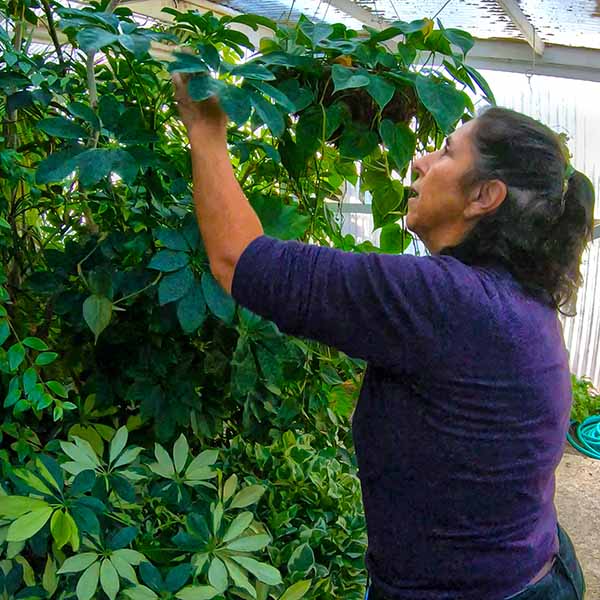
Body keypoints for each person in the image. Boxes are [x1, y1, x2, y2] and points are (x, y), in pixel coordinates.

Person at [172, 72, 593, 599]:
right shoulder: (514, 296)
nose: (419, 162)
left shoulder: (445, 301)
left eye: (445, 153)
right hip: (527, 571)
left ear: (484, 195)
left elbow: (239, 259)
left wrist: (205, 129)